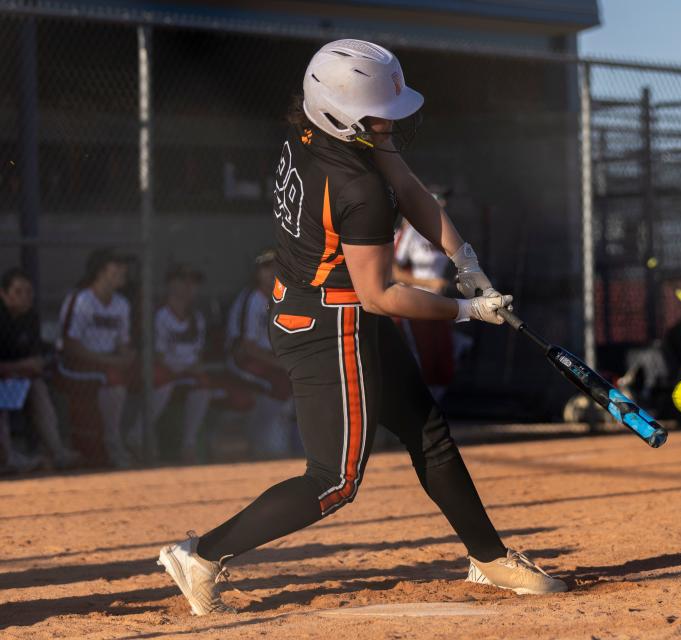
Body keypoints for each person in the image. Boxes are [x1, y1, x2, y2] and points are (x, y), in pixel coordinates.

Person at [158, 39, 565, 617]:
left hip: (328, 304)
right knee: (335, 480)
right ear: (343, 116)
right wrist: (467, 311)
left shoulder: (317, 135)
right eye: (379, 115)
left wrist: (466, 261)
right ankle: (200, 555)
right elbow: (379, 295)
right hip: (331, 323)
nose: (390, 124)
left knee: (426, 430)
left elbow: (413, 190)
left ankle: (489, 557)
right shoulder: (357, 187)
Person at [56, 248, 136, 468]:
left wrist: (126, 354)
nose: (124, 270)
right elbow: (70, 346)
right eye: (117, 265)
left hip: (106, 363)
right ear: (101, 271)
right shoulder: (82, 299)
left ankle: (135, 437)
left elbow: (123, 342)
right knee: (113, 378)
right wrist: (111, 361)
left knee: (145, 374)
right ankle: (112, 443)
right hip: (75, 365)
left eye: (124, 265)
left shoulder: (121, 303)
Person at [128, 265, 213, 463]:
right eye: (185, 282)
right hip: (160, 369)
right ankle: (137, 436)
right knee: (163, 381)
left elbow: (197, 354)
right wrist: (184, 367)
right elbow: (157, 356)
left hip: (183, 370)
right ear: (172, 285)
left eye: (194, 284)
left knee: (204, 385)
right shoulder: (160, 314)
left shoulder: (196, 318)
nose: (190, 288)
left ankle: (188, 445)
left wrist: (192, 368)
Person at [0, 267, 80, 471]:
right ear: (3, 294)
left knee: (38, 387)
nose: (25, 297)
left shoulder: (31, 318)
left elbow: (34, 358)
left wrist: (28, 367)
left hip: (15, 378)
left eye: (29, 292)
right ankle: (7, 458)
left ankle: (57, 452)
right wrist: (20, 366)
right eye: (18, 292)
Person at [224, 250, 295, 457]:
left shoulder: (284, 298)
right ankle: (261, 441)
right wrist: (280, 363)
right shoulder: (252, 298)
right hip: (242, 360)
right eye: (265, 268)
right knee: (279, 382)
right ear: (257, 273)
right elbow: (246, 347)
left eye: (275, 267)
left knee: (296, 381)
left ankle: (272, 441)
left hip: (268, 358)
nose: (271, 272)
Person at [393, 191, 456, 401]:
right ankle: (421, 415)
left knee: (444, 362)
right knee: (423, 359)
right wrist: (428, 283)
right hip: (415, 303)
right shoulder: (411, 230)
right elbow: (393, 271)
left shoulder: (444, 231)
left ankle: (434, 410)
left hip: (438, 303)